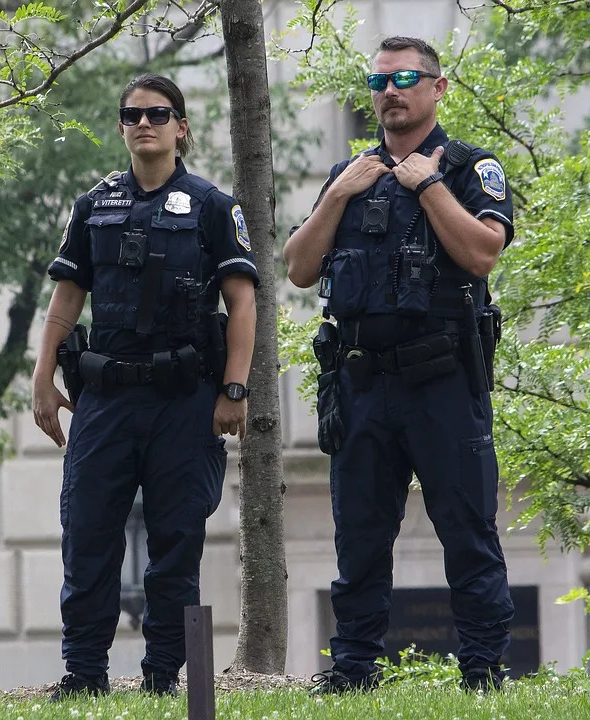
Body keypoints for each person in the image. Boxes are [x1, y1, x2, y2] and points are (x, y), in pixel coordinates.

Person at [283, 36, 514, 694]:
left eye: (406, 77)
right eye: (379, 80)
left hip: (442, 379)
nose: (390, 90)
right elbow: (298, 269)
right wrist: (336, 198)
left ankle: (483, 672)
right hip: (362, 383)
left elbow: (482, 254)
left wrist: (430, 185)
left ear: (437, 88)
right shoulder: (347, 177)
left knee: (467, 530)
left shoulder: (471, 168)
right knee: (358, 535)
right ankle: (354, 670)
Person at [32, 73, 258, 700]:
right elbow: (66, 298)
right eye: (132, 114)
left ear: (181, 128)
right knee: (88, 538)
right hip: (104, 400)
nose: (144, 123)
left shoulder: (214, 207)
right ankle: (83, 676)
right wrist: (42, 376)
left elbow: (242, 303)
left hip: (184, 401)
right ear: (122, 127)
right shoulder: (93, 205)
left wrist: (233, 390)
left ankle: (163, 677)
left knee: (175, 544)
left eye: (159, 114)